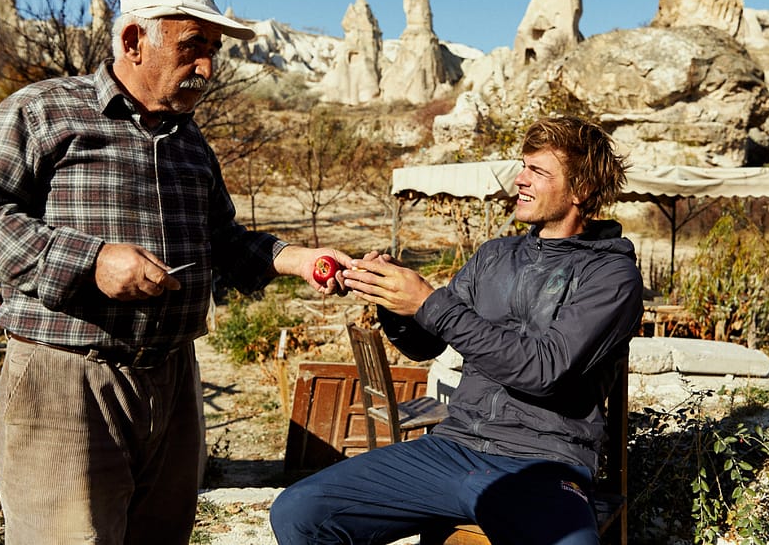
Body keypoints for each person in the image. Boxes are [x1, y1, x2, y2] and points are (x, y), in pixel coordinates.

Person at [0, 0, 350, 545]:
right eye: (193, 48)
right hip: (67, 379)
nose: (208, 68)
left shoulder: (188, 140)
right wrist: (91, 261)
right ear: (133, 40)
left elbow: (222, 238)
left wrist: (296, 258)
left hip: (173, 379)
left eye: (213, 51)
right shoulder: (42, 111)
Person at [270, 115, 644, 545]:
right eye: (523, 166)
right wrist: (394, 300)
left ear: (581, 190)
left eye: (538, 171)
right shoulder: (494, 256)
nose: (520, 179)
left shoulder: (612, 276)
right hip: (452, 447)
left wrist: (429, 302)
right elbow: (424, 344)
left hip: (544, 462)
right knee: (301, 511)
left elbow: (543, 370)